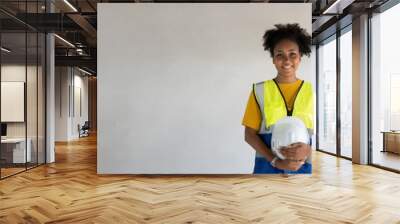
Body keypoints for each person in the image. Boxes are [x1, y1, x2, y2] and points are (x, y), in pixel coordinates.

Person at [242, 23, 314, 174]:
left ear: (300, 57)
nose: (286, 60)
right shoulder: (260, 90)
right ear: (273, 59)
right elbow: (249, 134)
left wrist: (307, 149)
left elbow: (315, 133)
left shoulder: (311, 91)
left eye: (292, 54)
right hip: (267, 166)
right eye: (279, 54)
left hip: (302, 166)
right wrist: (276, 162)